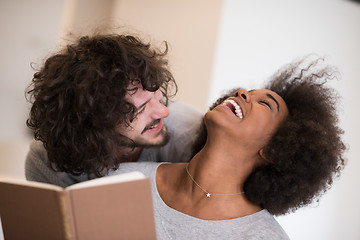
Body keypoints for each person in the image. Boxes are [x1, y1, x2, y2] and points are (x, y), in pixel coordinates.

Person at [109, 57, 346, 239]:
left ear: (275, 150)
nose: (241, 92)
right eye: (247, 92)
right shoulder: (123, 180)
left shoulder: (262, 237)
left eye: (264, 103)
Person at [25, 33, 203, 187]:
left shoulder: (189, 133)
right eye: (141, 109)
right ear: (96, 122)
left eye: (158, 96)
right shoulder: (45, 158)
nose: (163, 112)